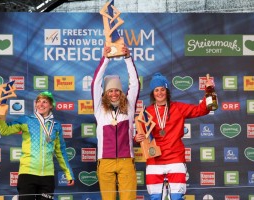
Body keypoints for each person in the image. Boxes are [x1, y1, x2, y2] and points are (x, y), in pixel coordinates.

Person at [134, 72, 212, 200]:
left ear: (167, 91)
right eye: (156, 90)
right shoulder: (146, 112)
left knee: (177, 197)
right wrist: (136, 139)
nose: (160, 93)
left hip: (175, 158)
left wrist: (209, 90)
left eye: (162, 89)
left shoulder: (178, 108)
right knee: (155, 198)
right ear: (153, 93)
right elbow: (139, 136)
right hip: (154, 160)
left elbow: (203, 109)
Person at [0, 91, 74, 200]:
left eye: (45, 102)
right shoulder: (26, 120)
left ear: (51, 106)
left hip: (47, 176)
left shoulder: (56, 126)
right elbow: (4, 130)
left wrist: (68, 173)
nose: (41, 104)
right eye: (38, 101)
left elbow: (61, 152)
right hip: (27, 174)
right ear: (35, 104)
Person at [91, 45, 140, 200]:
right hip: (105, 161)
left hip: (126, 160)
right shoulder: (99, 110)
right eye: (110, 91)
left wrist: (128, 59)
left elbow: (135, 84)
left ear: (121, 92)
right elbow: (95, 83)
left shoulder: (129, 107)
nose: (114, 93)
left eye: (117, 90)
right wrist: (105, 59)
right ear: (105, 93)